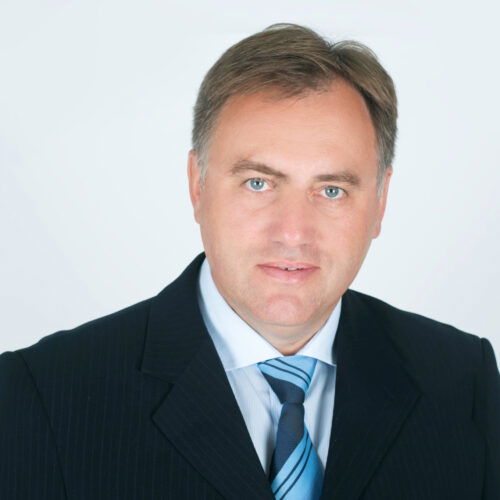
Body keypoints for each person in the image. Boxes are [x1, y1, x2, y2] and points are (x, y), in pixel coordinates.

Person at [1, 23, 498, 500]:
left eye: (331, 189)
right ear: (197, 185)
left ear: (380, 202)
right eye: (258, 183)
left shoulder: (463, 380)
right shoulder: (41, 395)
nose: (293, 232)